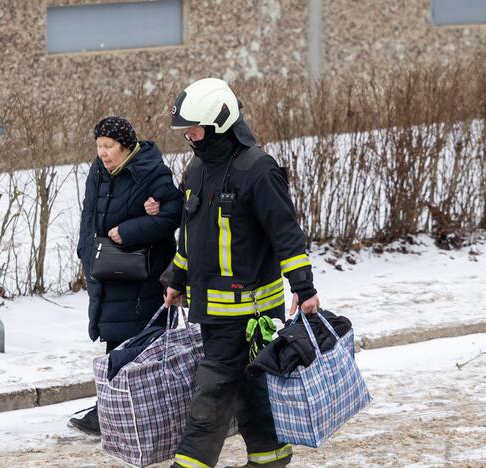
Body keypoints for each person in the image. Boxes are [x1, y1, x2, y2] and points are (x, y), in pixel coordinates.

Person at [164, 79, 320, 468]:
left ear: (220, 122)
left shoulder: (258, 170)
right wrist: (176, 279)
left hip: (250, 314)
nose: (189, 136)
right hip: (213, 312)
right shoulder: (198, 168)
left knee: (211, 397)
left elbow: (285, 233)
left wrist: (303, 285)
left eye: (195, 128)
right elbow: (191, 236)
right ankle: (270, 459)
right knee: (251, 390)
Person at [70, 116, 182, 436]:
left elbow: (173, 214)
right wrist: (85, 251)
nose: (102, 153)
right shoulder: (98, 171)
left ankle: (111, 412)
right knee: (115, 337)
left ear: (126, 147)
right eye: (99, 146)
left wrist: (129, 231)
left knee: (132, 341)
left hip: (140, 273)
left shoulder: (152, 171)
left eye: (109, 147)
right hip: (107, 269)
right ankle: (115, 409)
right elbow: (88, 214)